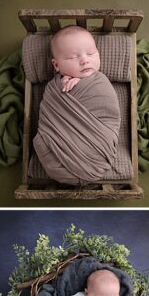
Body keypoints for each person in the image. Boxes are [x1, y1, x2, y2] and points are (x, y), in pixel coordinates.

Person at [33, 25, 121, 185]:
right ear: (57, 65)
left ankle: (86, 163)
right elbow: (51, 111)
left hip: (97, 150)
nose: (84, 60)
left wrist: (82, 82)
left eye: (91, 53)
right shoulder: (54, 88)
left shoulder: (99, 82)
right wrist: (61, 87)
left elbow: (109, 110)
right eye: (73, 57)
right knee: (40, 141)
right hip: (58, 158)